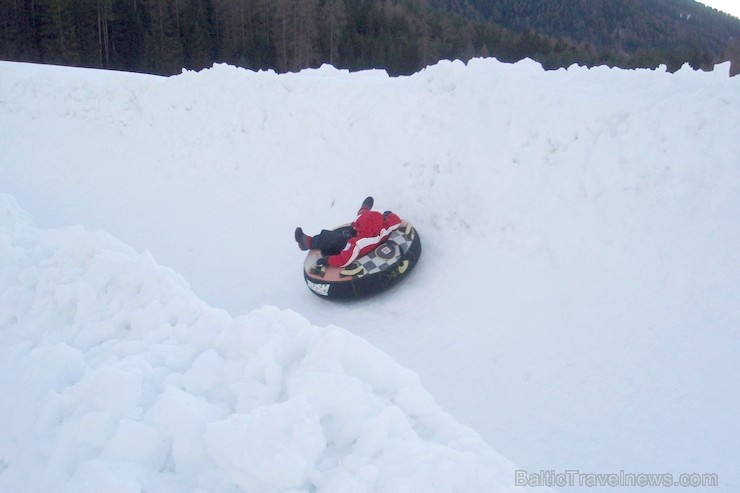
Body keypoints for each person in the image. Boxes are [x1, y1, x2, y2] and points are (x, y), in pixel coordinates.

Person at [295, 196, 402, 268]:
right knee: (348, 229)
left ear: (361, 229)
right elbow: (395, 220)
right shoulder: (383, 226)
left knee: (334, 239)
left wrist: (327, 261)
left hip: (350, 251)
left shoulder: (358, 243)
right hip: (367, 231)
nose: (354, 225)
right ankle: (364, 210)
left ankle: (308, 242)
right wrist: (387, 214)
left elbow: (344, 259)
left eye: (357, 225)